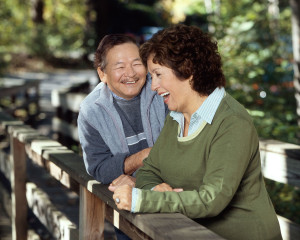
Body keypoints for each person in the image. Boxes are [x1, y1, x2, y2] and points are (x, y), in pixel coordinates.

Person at [111, 24, 282, 240]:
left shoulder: (231, 122)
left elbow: (212, 200)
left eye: (158, 74)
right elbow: (148, 171)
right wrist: (157, 190)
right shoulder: (176, 118)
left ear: (188, 70)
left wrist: (141, 200)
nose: (153, 86)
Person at [77, 34, 168, 239]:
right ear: (102, 73)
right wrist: (141, 157)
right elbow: (98, 167)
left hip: (175, 196)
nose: (130, 73)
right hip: (129, 207)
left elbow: (184, 144)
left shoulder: (163, 90)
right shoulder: (91, 111)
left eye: (137, 63)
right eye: (119, 66)